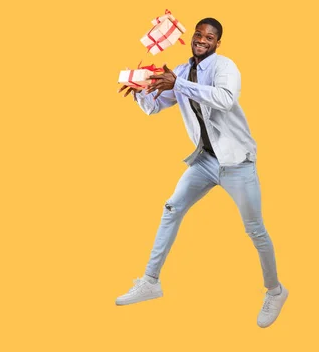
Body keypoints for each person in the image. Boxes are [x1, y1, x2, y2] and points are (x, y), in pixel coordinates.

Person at [116, 18, 288, 328]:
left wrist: (178, 84)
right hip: (206, 161)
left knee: (255, 229)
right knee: (171, 209)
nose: (202, 39)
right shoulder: (180, 72)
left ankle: (275, 291)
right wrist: (140, 89)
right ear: (192, 37)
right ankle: (150, 282)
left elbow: (225, 98)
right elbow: (156, 106)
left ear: (217, 43)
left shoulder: (225, 67)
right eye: (198, 34)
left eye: (209, 36)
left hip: (237, 163)